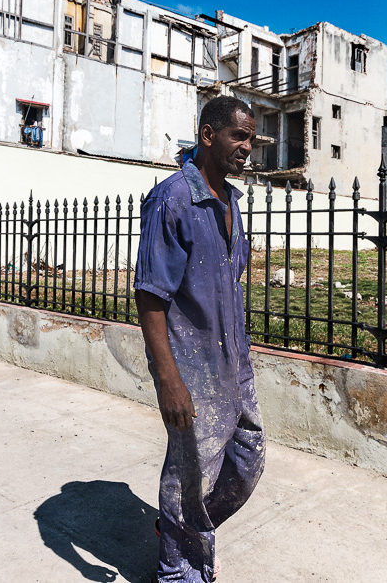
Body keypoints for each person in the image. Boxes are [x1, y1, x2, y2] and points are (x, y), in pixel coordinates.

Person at [134, 95, 265, 582]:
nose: (247, 147)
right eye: (240, 136)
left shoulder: (231, 201)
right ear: (208, 135)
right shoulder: (171, 200)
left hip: (235, 365)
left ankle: (180, 530)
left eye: (251, 138)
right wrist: (169, 380)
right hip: (191, 369)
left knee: (248, 458)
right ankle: (178, 568)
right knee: (189, 476)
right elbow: (150, 299)